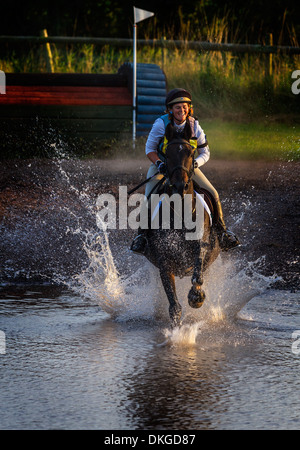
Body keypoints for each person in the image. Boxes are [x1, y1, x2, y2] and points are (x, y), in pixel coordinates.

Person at [130, 88, 240, 253]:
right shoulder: (161, 124)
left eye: (184, 107)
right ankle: (142, 236)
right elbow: (149, 149)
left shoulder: (194, 124)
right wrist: (160, 164)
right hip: (163, 166)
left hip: (187, 167)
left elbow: (205, 153)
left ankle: (222, 232)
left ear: (189, 108)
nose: (181, 110)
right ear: (170, 110)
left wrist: (193, 164)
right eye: (177, 107)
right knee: (149, 197)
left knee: (213, 193)